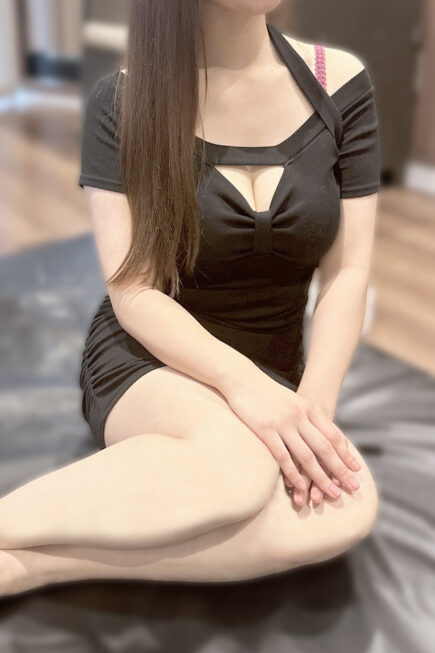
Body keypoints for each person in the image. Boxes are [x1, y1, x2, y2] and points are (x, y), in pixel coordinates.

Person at [0, 0, 380, 597]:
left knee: (348, 507)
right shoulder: (124, 101)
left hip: (277, 367)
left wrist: (313, 412)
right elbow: (134, 292)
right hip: (152, 357)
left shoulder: (341, 84)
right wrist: (242, 384)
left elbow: (347, 274)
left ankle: (26, 567)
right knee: (237, 470)